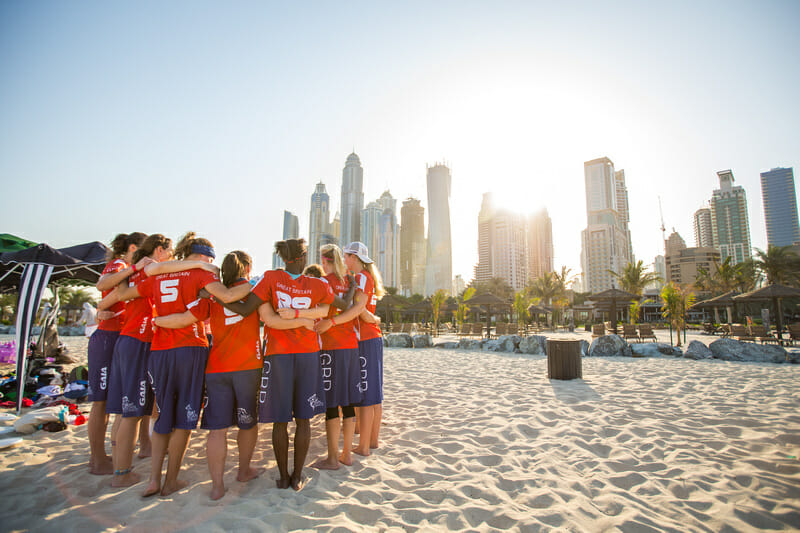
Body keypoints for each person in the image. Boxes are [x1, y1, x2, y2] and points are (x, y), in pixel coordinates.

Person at [103, 232, 251, 497]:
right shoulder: (202, 275)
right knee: (184, 419)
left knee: (162, 416)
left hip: (159, 350)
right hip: (190, 349)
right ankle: (170, 481)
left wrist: (131, 273)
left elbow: (123, 292)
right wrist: (256, 286)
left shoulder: (159, 275)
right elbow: (227, 296)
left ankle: (152, 480)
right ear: (206, 256)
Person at [220, 238, 333, 490]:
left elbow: (245, 309)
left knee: (281, 421)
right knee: (303, 420)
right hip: (307, 354)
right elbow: (329, 308)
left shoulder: (270, 278)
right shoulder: (315, 283)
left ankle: (283, 476)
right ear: (302, 258)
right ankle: (297, 476)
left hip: (277, 354)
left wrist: (216, 296)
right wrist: (306, 316)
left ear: (283, 258)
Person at [153, 251, 263, 500]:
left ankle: (217, 486)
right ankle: (244, 470)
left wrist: (158, 320)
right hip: (248, 365)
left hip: (217, 367)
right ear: (247, 267)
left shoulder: (211, 294)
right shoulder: (253, 288)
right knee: (247, 423)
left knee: (217, 429)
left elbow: (186, 318)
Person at [103, 234, 173, 488]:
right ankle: (121, 474)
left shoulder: (133, 272)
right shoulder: (152, 270)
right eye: (169, 252)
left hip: (126, 339)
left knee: (126, 410)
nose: (171, 257)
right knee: (131, 411)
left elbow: (117, 293)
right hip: (140, 340)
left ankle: (122, 463)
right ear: (159, 250)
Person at [88, 232, 147, 475]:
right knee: (100, 402)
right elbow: (102, 286)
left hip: (122, 336)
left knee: (124, 402)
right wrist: (133, 267)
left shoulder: (130, 270)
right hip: (108, 338)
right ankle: (98, 458)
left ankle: (126, 452)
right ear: (132, 247)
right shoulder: (120, 265)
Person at [309, 244, 370, 469]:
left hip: (331, 345)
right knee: (349, 403)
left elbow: (324, 311)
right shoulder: (349, 281)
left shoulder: (325, 282)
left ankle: (333, 458)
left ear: (325, 261)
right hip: (351, 346)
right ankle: (346, 454)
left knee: (332, 404)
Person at [343, 241, 386, 457]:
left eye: (346, 256)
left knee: (368, 395)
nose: (343, 259)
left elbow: (360, 311)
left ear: (354, 258)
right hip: (372, 338)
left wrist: (333, 322)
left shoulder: (361, 278)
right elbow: (367, 313)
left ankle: (363, 447)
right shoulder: (367, 277)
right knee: (375, 394)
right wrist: (374, 318)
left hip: (365, 339)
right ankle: (373, 441)